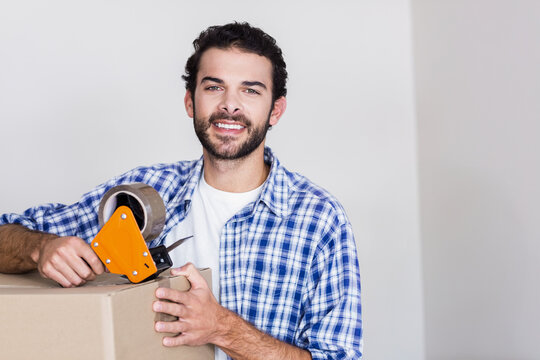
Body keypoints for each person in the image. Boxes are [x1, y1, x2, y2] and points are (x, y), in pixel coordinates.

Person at [0, 22, 362, 359]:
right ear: (191, 102)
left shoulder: (318, 219)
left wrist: (222, 328)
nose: (229, 105)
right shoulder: (139, 194)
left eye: (250, 90)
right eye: (213, 87)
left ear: (275, 111)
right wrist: (39, 247)